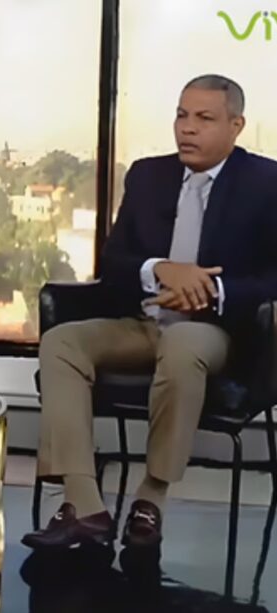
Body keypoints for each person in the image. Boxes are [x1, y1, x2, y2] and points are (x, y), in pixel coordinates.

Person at [23, 75, 277, 559]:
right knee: (62, 342)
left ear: (236, 125)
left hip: (215, 331)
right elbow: (114, 263)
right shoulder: (147, 175)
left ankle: (150, 498)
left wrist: (213, 291)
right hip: (142, 324)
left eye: (204, 118)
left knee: (182, 346)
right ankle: (85, 504)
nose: (187, 128)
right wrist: (159, 269)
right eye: (182, 115)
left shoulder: (266, 183)